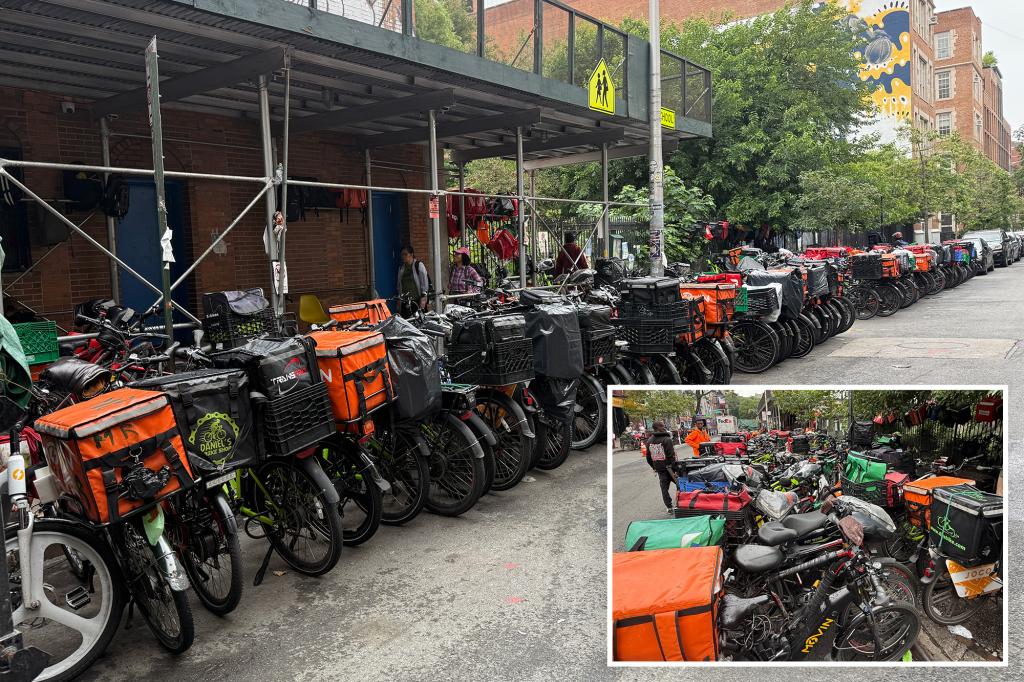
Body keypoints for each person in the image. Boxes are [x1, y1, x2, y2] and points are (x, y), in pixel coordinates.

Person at [645, 422, 679, 513]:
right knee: (680, 485)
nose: (664, 427)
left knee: (664, 488)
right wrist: (675, 469)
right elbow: (671, 456)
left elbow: (648, 457)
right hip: (670, 468)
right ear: (657, 428)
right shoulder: (667, 439)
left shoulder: (649, 441)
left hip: (660, 468)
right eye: (662, 426)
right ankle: (680, 503)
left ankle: (669, 507)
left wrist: (654, 467)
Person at [397, 245, 429, 316]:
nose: (403, 256)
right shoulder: (401, 269)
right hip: (405, 301)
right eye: (402, 254)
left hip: (417, 300)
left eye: (405, 254)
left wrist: (423, 299)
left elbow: (424, 283)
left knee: (418, 322)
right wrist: (399, 300)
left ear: (411, 254)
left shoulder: (418, 265)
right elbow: (399, 285)